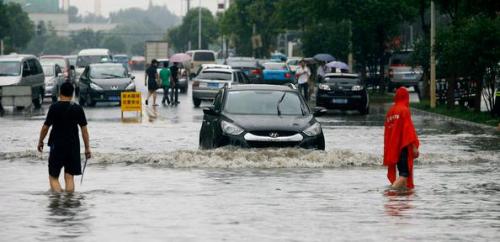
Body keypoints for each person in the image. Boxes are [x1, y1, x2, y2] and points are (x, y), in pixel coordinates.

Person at [37, 82, 91, 193]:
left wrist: (40, 141)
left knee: (53, 177)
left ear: (60, 92)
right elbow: (84, 131)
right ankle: (69, 202)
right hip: (73, 146)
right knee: (69, 177)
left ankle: (58, 200)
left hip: (57, 146)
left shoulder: (54, 107)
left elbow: (45, 127)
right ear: (72, 94)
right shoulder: (78, 108)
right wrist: (87, 148)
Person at [383, 87, 420, 190]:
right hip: (402, 147)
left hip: (392, 147)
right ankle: (391, 190)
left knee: (401, 172)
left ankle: (400, 196)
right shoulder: (404, 110)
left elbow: (387, 132)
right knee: (404, 174)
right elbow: (408, 130)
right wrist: (414, 147)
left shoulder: (390, 111)